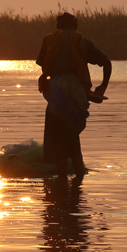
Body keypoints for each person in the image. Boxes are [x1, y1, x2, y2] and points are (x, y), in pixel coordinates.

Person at [36, 12, 112, 182]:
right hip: (77, 92)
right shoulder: (82, 42)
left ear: (57, 26)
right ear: (75, 26)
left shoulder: (49, 40)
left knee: (58, 136)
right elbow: (107, 62)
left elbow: (43, 63)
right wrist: (103, 86)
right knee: (72, 134)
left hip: (55, 94)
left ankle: (63, 180)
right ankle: (78, 179)